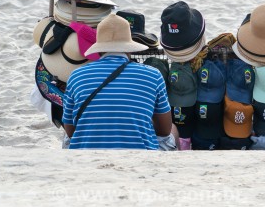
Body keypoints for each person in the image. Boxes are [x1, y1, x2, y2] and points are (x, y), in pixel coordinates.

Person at [62, 13, 178, 150]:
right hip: (141, 155)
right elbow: (164, 131)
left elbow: (70, 131)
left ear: (98, 49)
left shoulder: (76, 76)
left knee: (65, 137)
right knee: (173, 130)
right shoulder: (153, 75)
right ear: (129, 48)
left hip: (86, 155)